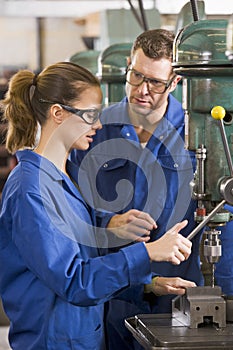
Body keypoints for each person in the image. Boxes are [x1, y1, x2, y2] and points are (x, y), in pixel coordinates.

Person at [0, 61, 195, 350]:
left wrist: (145, 286)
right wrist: (147, 252)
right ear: (58, 114)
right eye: (90, 115)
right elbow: (75, 280)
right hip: (54, 342)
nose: (99, 125)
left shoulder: (61, 177)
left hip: (80, 335)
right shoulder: (30, 191)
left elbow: (86, 261)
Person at [71, 29, 204, 349]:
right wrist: (105, 223)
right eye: (136, 76)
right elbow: (69, 211)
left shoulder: (196, 137)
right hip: (111, 297)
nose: (143, 90)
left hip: (178, 299)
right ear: (129, 65)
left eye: (156, 82)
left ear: (175, 82)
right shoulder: (93, 133)